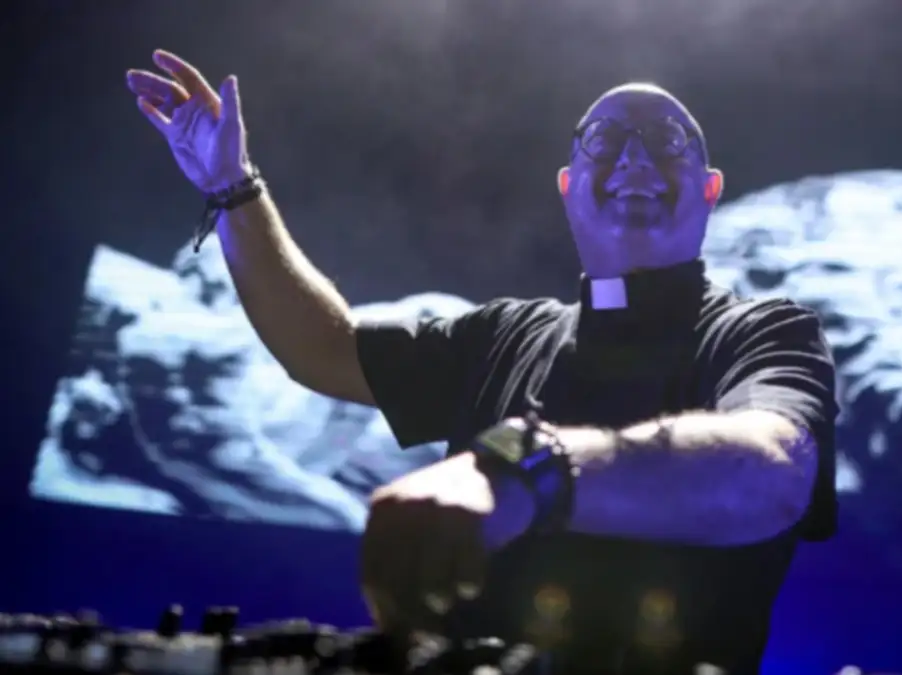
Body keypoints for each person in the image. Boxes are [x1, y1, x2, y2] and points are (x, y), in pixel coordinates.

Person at [126, 50, 839, 673]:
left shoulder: (764, 334)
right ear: (567, 186)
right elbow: (323, 348)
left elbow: (773, 467)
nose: (633, 159)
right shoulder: (502, 336)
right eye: (605, 139)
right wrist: (233, 189)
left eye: (666, 139)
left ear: (711, 189)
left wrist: (527, 467)